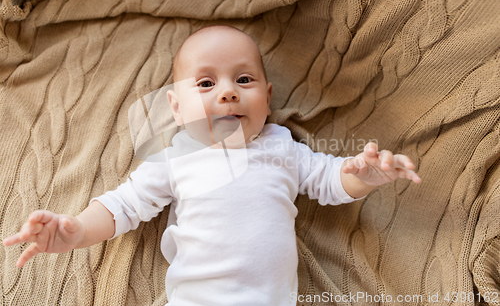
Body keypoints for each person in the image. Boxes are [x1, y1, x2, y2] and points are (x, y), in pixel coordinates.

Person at [3, 26, 422, 305]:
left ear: (268, 96)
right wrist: (74, 230)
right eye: (206, 83)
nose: (227, 93)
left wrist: (363, 176)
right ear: (176, 106)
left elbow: (329, 180)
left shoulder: (282, 146)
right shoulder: (174, 157)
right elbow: (123, 206)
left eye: (244, 80)